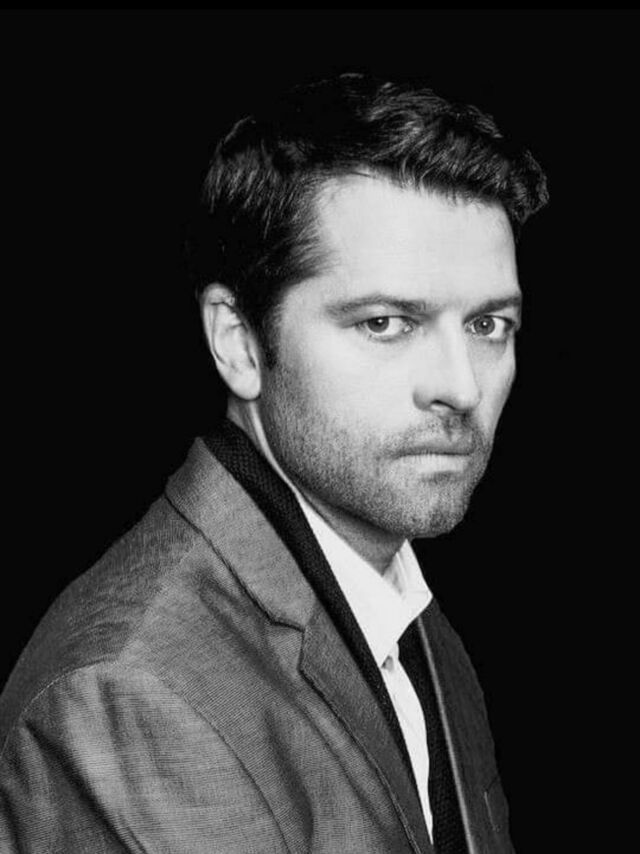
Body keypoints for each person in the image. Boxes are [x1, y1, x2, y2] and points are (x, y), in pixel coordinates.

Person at [0, 73, 547, 853]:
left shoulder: (412, 620)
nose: (460, 387)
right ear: (238, 342)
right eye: (385, 323)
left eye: (489, 325)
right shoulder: (129, 694)